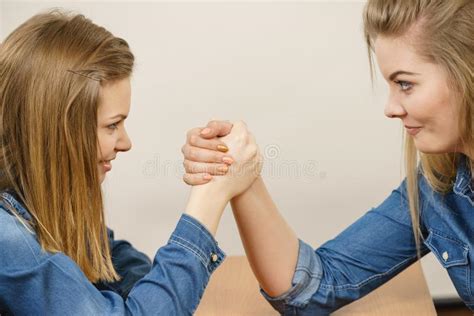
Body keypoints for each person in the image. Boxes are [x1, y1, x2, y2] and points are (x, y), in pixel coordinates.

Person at [181, 0, 474, 314]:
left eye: (406, 84)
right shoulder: (436, 186)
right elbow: (313, 288)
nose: (391, 108)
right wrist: (242, 172)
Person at [0, 10, 261, 315]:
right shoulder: (10, 241)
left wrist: (153, 298)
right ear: (57, 130)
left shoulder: (35, 196)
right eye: (112, 126)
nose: (125, 143)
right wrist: (208, 200)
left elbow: (109, 257)